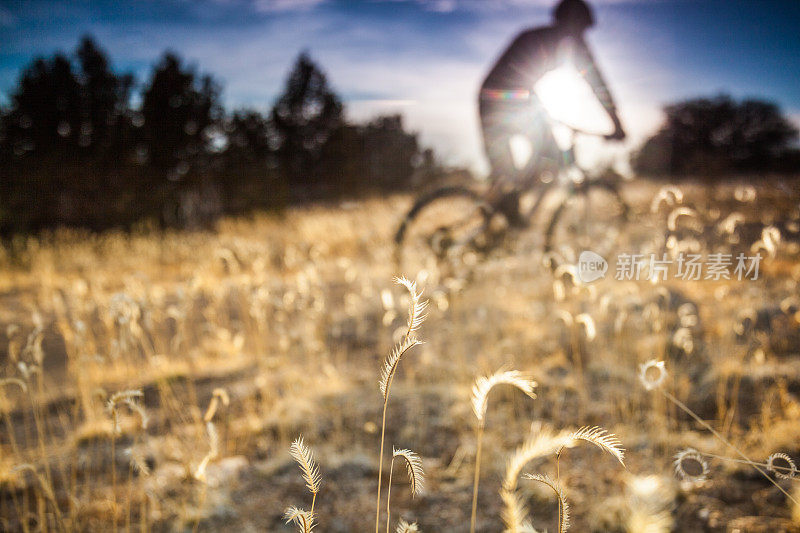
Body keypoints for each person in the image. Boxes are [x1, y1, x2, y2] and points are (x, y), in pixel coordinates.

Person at [479, 0, 625, 225]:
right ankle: (506, 207)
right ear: (571, 22)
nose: (584, 36)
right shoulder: (556, 42)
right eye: (582, 28)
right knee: (546, 155)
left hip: (507, 99)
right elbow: (598, 84)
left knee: (514, 175)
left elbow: (596, 82)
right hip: (505, 100)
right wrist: (616, 125)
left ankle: (502, 214)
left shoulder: (538, 37)